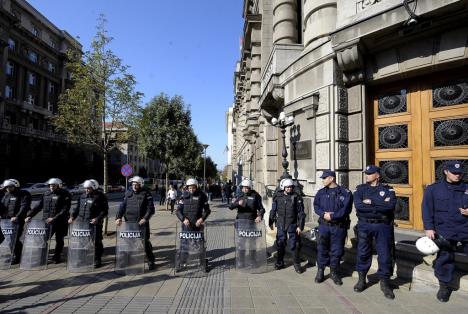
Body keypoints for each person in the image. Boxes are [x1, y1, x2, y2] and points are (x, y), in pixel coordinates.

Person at [422, 160, 468, 302]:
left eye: (459, 173)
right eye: (454, 173)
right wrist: (429, 227)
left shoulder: (466, 187)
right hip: (445, 228)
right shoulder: (433, 189)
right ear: (446, 172)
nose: (457, 176)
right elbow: (426, 209)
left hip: (465, 228)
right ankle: (444, 286)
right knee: (445, 257)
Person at [353, 165, 397, 299]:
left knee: (384, 254)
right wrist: (380, 204)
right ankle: (361, 279)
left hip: (383, 226)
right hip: (365, 225)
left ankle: (385, 282)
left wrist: (371, 202)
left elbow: (390, 207)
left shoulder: (388, 189)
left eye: (370, 173)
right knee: (363, 252)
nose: (367, 175)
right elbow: (359, 207)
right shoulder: (360, 189)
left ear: (377, 175)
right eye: (366, 173)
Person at [313, 170, 353, 285]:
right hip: (324, 226)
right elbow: (316, 206)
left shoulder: (345, 192)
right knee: (322, 248)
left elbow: (346, 209)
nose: (323, 180)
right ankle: (320, 270)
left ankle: (334, 272)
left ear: (331, 178)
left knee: (337, 250)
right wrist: (323, 214)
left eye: (325, 178)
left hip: (338, 226)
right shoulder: (321, 192)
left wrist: (333, 216)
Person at [26, 178, 71, 263]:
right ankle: (42, 256)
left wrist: (54, 218)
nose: (51, 187)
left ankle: (57, 256)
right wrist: (29, 216)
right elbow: (38, 206)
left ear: (58, 185)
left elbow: (65, 209)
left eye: (53, 185)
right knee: (43, 238)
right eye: (50, 185)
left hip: (60, 221)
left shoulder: (65, 194)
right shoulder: (46, 194)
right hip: (47, 221)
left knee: (59, 240)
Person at [116, 175, 156, 270]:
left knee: (144, 242)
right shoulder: (128, 193)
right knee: (128, 242)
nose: (134, 186)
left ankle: (151, 261)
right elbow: (122, 206)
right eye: (133, 184)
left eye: (136, 184)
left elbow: (151, 209)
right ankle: (126, 260)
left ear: (140, 184)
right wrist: (118, 217)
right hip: (129, 223)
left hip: (141, 223)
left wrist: (145, 218)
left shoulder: (146, 194)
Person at [68, 179, 109, 267]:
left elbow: (104, 211)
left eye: (88, 188)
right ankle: (81, 259)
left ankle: (97, 259)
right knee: (82, 242)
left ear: (94, 187)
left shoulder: (100, 196)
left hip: (94, 224)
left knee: (96, 242)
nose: (86, 190)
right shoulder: (82, 196)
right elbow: (77, 208)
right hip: (82, 223)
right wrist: (72, 217)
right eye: (85, 188)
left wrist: (97, 218)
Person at [269, 178, 306, 273]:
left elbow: (301, 213)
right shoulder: (278, 196)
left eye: (290, 187)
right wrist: (271, 221)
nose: (289, 189)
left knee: (294, 244)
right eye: (287, 187)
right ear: (283, 187)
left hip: (292, 223)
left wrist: (300, 226)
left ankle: (296, 264)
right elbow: (273, 210)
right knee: (281, 243)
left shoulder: (296, 197)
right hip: (281, 223)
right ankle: (280, 262)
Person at [175, 178, 211, 270]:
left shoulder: (202, 195)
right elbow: (178, 211)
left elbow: (207, 210)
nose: (191, 190)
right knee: (184, 245)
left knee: (200, 244)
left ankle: (202, 262)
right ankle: (182, 262)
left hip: (197, 225)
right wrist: (183, 219)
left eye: (193, 188)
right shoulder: (183, 196)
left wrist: (202, 219)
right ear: (187, 188)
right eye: (189, 188)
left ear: (196, 187)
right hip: (186, 225)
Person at [229, 178, 265, 267]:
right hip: (241, 222)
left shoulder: (256, 196)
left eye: (247, 188)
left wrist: (260, 215)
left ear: (250, 187)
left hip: (252, 222)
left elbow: (261, 208)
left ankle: (252, 260)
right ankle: (241, 261)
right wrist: (237, 204)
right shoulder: (239, 195)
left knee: (252, 242)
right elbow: (230, 206)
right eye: (243, 188)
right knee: (241, 242)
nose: (245, 189)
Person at [0, 179, 31, 264]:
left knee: (14, 239)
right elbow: (2, 207)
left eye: (10, 187)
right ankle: (17, 254)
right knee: (9, 239)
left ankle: (17, 257)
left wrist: (17, 216)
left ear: (15, 186)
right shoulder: (6, 195)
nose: (8, 189)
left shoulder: (22, 194)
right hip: (6, 221)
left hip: (17, 221)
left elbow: (24, 206)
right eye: (6, 187)